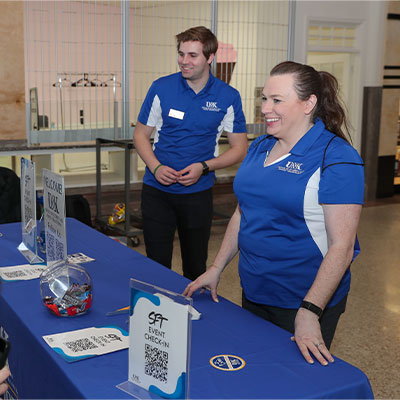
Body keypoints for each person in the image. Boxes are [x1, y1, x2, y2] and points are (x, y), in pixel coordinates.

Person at [184, 61, 364, 366]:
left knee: (290, 383)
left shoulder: (337, 158)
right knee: (256, 372)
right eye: (264, 99)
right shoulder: (260, 148)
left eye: (276, 100)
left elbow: (342, 247)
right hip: (255, 289)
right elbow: (243, 213)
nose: (266, 108)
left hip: (303, 298)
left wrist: (309, 310)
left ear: (309, 104)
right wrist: (216, 268)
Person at [134, 26, 247, 281]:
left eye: (192, 55)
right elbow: (140, 135)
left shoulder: (228, 96)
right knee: (155, 264)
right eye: (181, 53)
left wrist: (204, 167)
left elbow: (239, 149)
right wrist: (156, 167)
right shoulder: (161, 88)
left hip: (198, 193)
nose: (184, 61)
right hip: (157, 192)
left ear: (210, 57)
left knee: (195, 265)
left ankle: (191, 315)